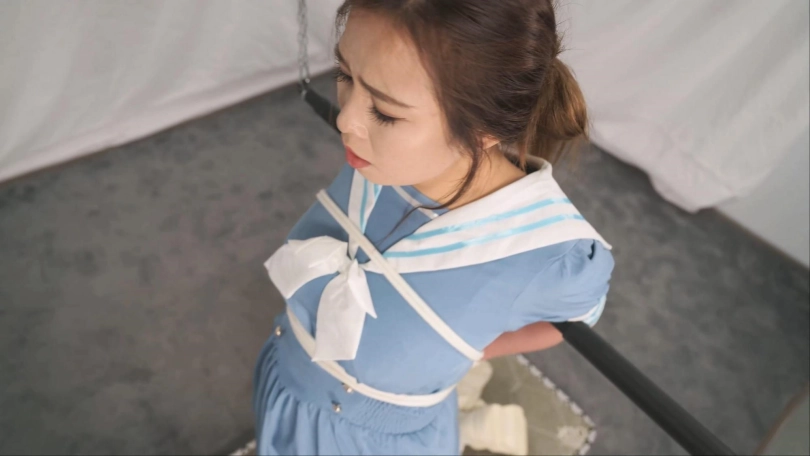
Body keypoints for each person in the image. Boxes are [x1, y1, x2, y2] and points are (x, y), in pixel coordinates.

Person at [253, 1, 614, 454]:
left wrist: (468, 350)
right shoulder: (379, 160)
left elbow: (573, 320)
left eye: (385, 111)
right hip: (285, 383)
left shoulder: (552, 257)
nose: (345, 120)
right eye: (345, 75)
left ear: (483, 127)